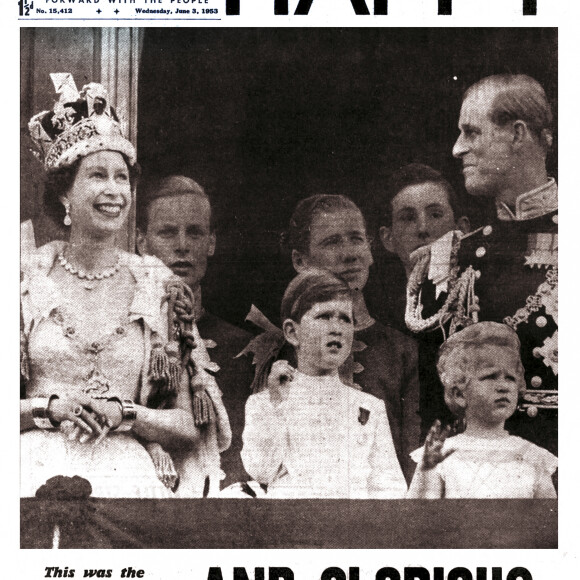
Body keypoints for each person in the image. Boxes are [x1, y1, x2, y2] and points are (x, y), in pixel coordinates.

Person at [21, 74, 230, 498]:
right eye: (98, 175)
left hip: (128, 479)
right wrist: (52, 408)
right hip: (30, 473)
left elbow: (187, 427)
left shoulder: (158, 288)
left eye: (122, 178)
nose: (114, 190)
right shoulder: (23, 284)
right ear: (65, 194)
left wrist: (123, 413)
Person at [405, 74, 557, 455]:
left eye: (472, 133)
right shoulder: (450, 257)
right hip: (476, 474)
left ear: (517, 134)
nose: (458, 149)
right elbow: (436, 402)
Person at [282, 194, 420, 482]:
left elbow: (413, 455)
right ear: (300, 260)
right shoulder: (277, 349)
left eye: (356, 239)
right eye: (332, 242)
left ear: (370, 251)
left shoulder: (401, 350)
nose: (350, 254)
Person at [241, 269, 407, 499]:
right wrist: (276, 406)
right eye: (324, 316)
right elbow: (261, 470)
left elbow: (389, 486)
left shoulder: (369, 407)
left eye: (345, 319)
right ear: (292, 332)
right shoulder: (265, 404)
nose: (336, 328)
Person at [136, 175, 254, 488]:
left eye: (195, 232)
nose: (182, 246)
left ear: (211, 243)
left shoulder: (245, 348)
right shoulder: (131, 338)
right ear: (141, 242)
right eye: (167, 232)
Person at [365, 164, 470, 436]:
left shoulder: (480, 298)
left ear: (462, 228)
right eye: (408, 218)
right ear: (387, 238)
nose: (423, 229)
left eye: (435, 214)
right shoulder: (377, 314)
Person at [408, 322, 557, 499]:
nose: (503, 386)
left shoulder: (532, 456)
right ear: (460, 395)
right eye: (490, 377)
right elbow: (417, 516)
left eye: (510, 378)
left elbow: (548, 521)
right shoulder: (443, 454)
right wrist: (426, 471)